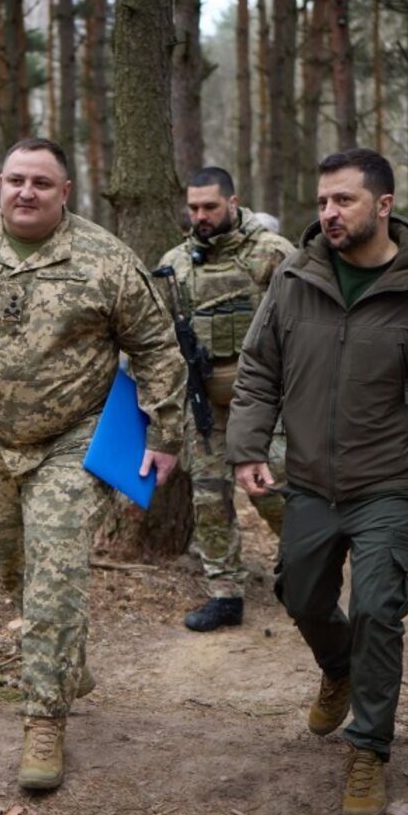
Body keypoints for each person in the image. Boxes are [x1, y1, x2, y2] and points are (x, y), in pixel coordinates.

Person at [0, 138, 185, 791]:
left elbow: (157, 347)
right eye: (16, 179)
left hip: (75, 438)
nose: (26, 191)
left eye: (42, 183)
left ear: (65, 191)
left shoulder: (104, 258)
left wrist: (165, 432)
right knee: (13, 563)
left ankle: (44, 719)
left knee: (55, 570)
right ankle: (64, 657)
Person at [227, 148, 408, 815]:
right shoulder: (295, 277)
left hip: (390, 484)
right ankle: (339, 668)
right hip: (311, 480)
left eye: (344, 200)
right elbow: (259, 367)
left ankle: (368, 747)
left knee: (377, 607)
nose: (329, 213)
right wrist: (247, 446)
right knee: (300, 592)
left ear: (384, 205)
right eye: (322, 201)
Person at [157, 167, 295, 632]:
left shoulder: (272, 254)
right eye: (194, 208)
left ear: (233, 203)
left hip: (267, 403)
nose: (201, 216)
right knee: (209, 497)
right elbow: (157, 336)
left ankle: (301, 567)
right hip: (205, 404)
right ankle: (225, 593)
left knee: (273, 490)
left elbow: (307, 323)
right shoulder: (175, 264)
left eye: (210, 207)